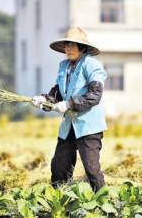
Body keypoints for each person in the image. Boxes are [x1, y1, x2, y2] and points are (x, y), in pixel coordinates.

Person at [30, 27, 107, 192]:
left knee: (92, 170)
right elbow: (58, 92)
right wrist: (44, 100)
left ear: (82, 48)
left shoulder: (91, 65)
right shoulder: (64, 66)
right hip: (69, 126)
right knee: (59, 167)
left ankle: (104, 202)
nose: (69, 48)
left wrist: (69, 104)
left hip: (88, 126)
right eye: (67, 45)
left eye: (73, 45)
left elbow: (95, 95)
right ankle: (59, 201)